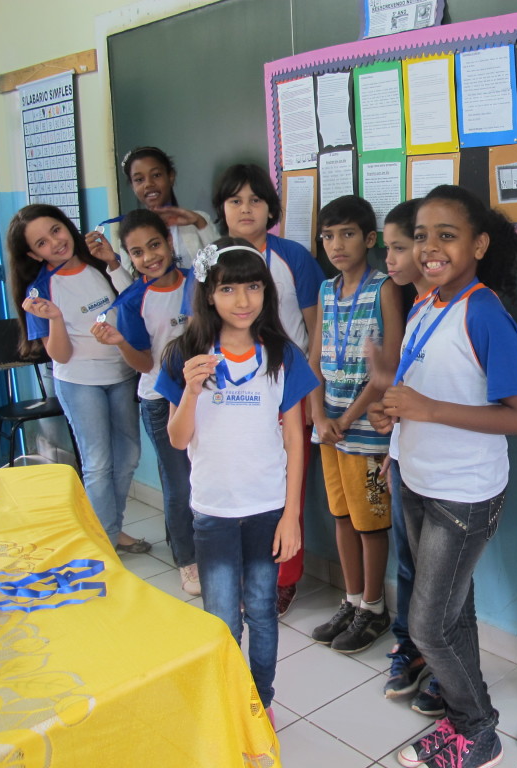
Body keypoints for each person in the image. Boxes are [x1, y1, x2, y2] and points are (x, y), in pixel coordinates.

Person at [374, 185, 517, 768]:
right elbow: (422, 392)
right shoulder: (426, 304)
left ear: (479, 243)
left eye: (447, 235)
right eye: (421, 236)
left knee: (428, 624)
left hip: (463, 496)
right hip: (418, 480)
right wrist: (393, 418)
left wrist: (427, 410)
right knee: (451, 612)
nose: (430, 247)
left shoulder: (486, 313)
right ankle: (465, 722)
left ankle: (479, 730)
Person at [156, 238, 317, 724]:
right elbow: (179, 440)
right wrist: (188, 389)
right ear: (208, 294)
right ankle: (228, 701)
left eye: (253, 287)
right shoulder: (184, 353)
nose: (243, 300)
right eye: (228, 288)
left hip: (268, 509)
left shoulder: (282, 355)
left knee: (263, 614)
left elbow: (294, 438)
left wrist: (292, 516)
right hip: (213, 512)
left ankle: (259, 703)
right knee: (222, 618)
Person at [211, 163, 326, 616]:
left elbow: (316, 329)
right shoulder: (213, 260)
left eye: (255, 199)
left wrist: (311, 395)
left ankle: (284, 576)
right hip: (228, 395)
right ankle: (242, 570)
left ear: (270, 208)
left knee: (284, 487)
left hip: (285, 391)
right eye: (235, 200)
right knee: (238, 483)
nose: (245, 208)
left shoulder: (292, 256)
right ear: (222, 208)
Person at [8, 204, 147, 553]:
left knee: (128, 455)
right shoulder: (41, 293)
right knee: (98, 463)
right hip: (79, 382)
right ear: (32, 254)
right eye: (41, 243)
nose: (55, 243)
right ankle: (103, 542)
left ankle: (108, 529)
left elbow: (134, 302)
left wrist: (114, 262)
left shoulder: (98, 264)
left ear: (67, 226)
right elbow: (61, 356)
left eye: (56, 230)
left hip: (121, 373)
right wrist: (54, 318)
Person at [308, 195, 403, 653]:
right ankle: (351, 599)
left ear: (370, 239)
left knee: (370, 525)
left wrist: (345, 417)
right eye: (328, 236)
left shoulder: (383, 287)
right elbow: (313, 357)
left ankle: (375, 606)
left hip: (363, 430)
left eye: (347, 234)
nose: (336, 244)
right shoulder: (326, 291)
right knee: (341, 517)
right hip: (328, 428)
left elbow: (389, 363)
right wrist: (318, 415)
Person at [93, 209, 198, 595]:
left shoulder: (198, 284)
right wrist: (120, 342)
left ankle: (208, 550)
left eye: (155, 245)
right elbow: (144, 363)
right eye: (137, 252)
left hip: (205, 398)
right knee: (179, 484)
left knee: (206, 478)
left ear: (170, 243)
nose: (149, 256)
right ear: (129, 259)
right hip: (159, 400)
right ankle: (187, 561)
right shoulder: (133, 301)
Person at [378, 198, 445, 714]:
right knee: (408, 561)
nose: (398, 258)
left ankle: (445, 663)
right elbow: (401, 389)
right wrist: (390, 443)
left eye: (407, 245)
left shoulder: (462, 309)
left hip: (447, 474)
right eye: (399, 247)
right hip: (405, 457)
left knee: (445, 576)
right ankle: (410, 647)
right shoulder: (409, 305)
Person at [84, 145, 216, 270]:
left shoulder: (199, 219)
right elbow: (131, 290)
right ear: (132, 186)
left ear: (170, 176)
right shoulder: (129, 232)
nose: (149, 184)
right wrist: (112, 262)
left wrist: (200, 223)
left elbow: (223, 265)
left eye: (156, 175)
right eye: (139, 180)